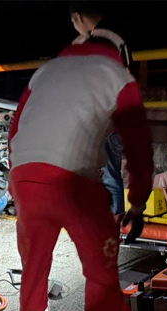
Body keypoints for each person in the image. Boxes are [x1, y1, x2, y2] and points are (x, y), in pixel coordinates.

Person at [7, 21, 154, 311]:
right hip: (73, 182)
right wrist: (136, 205)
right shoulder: (117, 75)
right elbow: (137, 148)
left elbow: (15, 127)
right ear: (122, 53)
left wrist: (21, 182)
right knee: (101, 272)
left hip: (24, 176)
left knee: (35, 263)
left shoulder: (45, 72)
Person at [71, 1, 128, 216]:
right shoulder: (117, 38)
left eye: (73, 21)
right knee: (110, 172)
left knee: (106, 174)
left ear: (78, 17)